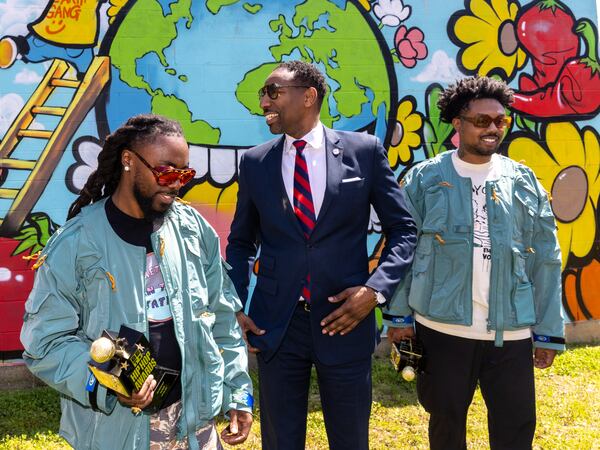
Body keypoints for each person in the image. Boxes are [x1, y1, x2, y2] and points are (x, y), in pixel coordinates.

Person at [20, 114, 253, 450]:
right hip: (118, 430)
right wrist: (107, 383)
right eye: (167, 171)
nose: (176, 183)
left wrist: (238, 393)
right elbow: (45, 341)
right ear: (128, 160)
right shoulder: (77, 243)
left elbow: (221, 315)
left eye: (184, 173)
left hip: (194, 424)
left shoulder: (192, 229)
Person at [225, 60, 417, 450]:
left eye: (273, 91)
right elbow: (243, 242)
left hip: (345, 320)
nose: (264, 100)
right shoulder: (256, 162)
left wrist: (374, 292)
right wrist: (234, 305)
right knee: (280, 440)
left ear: (309, 96)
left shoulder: (363, 152)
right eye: (263, 93)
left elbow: (404, 229)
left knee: (350, 440)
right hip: (275, 325)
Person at [384, 76, 565, 450]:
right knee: (446, 424)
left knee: (516, 427)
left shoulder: (524, 182)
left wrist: (548, 330)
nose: (493, 128)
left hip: (511, 331)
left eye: (500, 120)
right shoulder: (425, 178)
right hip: (442, 328)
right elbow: (404, 249)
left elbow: (546, 259)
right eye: (482, 121)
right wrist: (399, 319)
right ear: (458, 123)